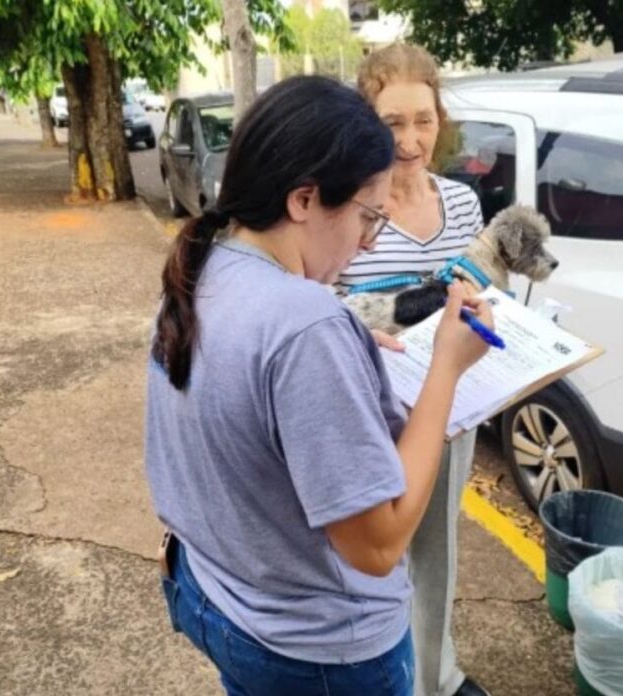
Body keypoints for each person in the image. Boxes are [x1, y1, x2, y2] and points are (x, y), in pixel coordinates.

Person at [144, 75, 492, 696]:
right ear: (304, 199)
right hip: (317, 653)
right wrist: (446, 366)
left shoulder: (202, 268)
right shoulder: (306, 324)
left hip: (215, 597)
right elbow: (378, 546)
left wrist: (342, 354)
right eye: (367, 216)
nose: (368, 243)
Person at [337, 44, 490, 696]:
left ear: (439, 120)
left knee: (437, 549)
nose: (409, 141)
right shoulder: (348, 206)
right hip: (372, 411)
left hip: (451, 404)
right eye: (392, 123)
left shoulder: (463, 205)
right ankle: (387, 673)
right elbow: (319, 301)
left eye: (423, 121)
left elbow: (482, 291)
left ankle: (434, 677)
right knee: (374, 553)